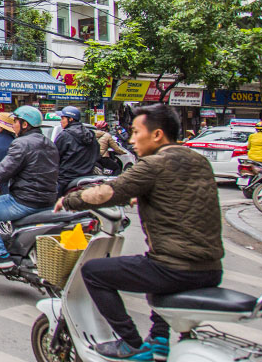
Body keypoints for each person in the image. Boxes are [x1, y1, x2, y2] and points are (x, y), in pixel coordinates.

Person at [56, 104, 223, 361]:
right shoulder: (197, 160)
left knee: (94, 272)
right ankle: (158, 339)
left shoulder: (153, 164)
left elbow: (109, 192)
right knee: (153, 276)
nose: (132, 140)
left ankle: (132, 343)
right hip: (211, 269)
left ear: (157, 135)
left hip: (175, 268)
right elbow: (177, 194)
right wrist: (141, 198)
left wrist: (69, 201)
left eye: (135, 132)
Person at [0, 106, 59, 270]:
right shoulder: (49, 143)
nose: (13, 125)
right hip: (48, 201)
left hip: (25, 201)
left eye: (16, 121)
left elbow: (2, 171)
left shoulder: (21, 143)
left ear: (25, 124)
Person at [54, 106, 99, 196]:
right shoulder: (90, 134)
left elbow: (54, 157)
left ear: (70, 119)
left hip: (65, 180)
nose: (61, 121)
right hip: (87, 178)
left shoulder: (65, 135)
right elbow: (97, 155)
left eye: (63, 118)